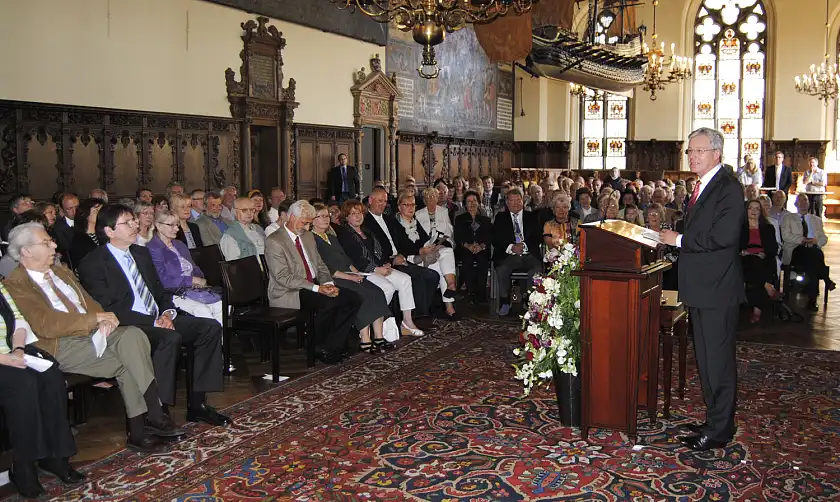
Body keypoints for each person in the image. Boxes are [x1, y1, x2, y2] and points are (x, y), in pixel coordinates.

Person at [5, 223, 181, 455]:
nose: (54, 245)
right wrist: (95, 318)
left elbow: (88, 303)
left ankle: (147, 423)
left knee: (134, 336)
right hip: (59, 344)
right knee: (129, 358)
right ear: (26, 251)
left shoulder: (61, 272)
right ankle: (147, 422)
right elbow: (46, 324)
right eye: (46, 242)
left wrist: (104, 319)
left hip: (93, 334)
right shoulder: (16, 284)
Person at [77, 205, 230, 427]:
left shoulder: (140, 253)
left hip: (158, 316)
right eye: (127, 223)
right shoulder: (93, 263)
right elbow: (108, 308)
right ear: (109, 231)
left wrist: (167, 313)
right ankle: (159, 411)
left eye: (133, 220)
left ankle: (198, 405)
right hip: (129, 324)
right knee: (170, 338)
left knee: (209, 327)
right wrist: (154, 321)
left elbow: (159, 291)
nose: (135, 225)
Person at [659, 127, 744, 452]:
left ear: (716, 153)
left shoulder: (727, 188)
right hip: (703, 286)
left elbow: (723, 237)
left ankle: (720, 429)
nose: (692, 156)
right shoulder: (704, 185)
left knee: (718, 361)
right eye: (690, 151)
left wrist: (677, 240)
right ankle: (717, 420)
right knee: (707, 360)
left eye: (699, 150)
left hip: (717, 288)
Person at [0, 283, 82, 498]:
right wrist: (6, 359)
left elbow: (18, 321)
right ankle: (23, 465)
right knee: (23, 383)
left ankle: (55, 456)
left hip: (10, 352)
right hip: (2, 359)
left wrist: (18, 349)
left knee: (51, 375)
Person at [265, 201, 362, 365]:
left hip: (313, 285)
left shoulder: (307, 236)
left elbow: (319, 264)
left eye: (309, 223)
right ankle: (318, 348)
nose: (307, 227)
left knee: (353, 299)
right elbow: (283, 277)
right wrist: (318, 289)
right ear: (292, 217)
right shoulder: (275, 241)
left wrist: (329, 283)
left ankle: (335, 346)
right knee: (327, 304)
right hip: (289, 291)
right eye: (305, 222)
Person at [311, 203, 391, 353]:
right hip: (334, 278)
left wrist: (356, 273)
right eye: (321, 216)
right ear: (312, 220)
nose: (326, 219)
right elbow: (324, 268)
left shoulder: (331, 237)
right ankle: (365, 339)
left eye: (327, 216)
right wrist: (350, 277)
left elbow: (347, 260)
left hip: (348, 274)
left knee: (377, 292)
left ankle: (379, 337)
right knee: (364, 295)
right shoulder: (312, 240)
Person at [338, 199, 425, 336]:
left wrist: (385, 263)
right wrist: (376, 269)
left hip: (378, 267)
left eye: (359, 212)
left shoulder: (366, 230)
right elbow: (355, 259)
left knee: (405, 279)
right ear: (346, 217)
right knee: (387, 288)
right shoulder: (345, 235)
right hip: (362, 272)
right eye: (353, 213)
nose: (358, 216)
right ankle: (369, 324)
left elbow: (380, 250)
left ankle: (407, 322)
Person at [363, 187, 440, 317]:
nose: (382, 204)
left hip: (400, 257)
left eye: (385, 201)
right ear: (370, 200)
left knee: (433, 275)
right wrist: (392, 259)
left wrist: (403, 255)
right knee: (421, 276)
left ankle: (422, 312)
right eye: (379, 201)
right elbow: (372, 249)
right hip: (387, 262)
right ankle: (419, 315)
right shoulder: (366, 222)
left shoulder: (388, 219)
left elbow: (401, 241)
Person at [147, 210, 223, 324]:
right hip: (173, 293)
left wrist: (200, 279)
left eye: (177, 225)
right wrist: (190, 280)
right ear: (158, 225)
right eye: (171, 225)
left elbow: (194, 267)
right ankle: (213, 338)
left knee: (220, 305)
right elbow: (162, 280)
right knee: (203, 310)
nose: (177, 229)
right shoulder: (153, 249)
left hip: (193, 289)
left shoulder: (179, 244)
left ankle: (221, 341)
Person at [392, 191, 458, 319]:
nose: (411, 208)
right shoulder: (395, 224)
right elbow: (400, 247)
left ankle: (450, 290)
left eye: (413, 205)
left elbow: (425, 240)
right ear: (399, 207)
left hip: (424, 256)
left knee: (446, 252)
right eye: (407, 205)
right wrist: (420, 250)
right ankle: (449, 303)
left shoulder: (415, 222)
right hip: (410, 259)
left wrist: (433, 246)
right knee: (441, 264)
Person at [781, 193, 835, 311]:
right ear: (795, 204)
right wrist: (803, 240)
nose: (803, 203)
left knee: (813, 260)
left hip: (812, 250)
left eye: (805, 200)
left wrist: (816, 241)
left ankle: (812, 299)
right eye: (800, 201)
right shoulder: (788, 218)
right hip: (796, 249)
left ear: (809, 203)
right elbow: (786, 236)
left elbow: (824, 238)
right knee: (815, 255)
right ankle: (826, 280)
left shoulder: (816, 220)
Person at [492, 188, 542, 316]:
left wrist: (524, 245)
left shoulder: (532, 217)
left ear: (523, 201)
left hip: (529, 254)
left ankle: (530, 301)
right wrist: (512, 247)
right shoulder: (500, 218)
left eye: (518, 200)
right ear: (507, 203)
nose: (515, 203)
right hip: (509, 255)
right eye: (512, 200)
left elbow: (537, 237)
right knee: (503, 269)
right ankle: (505, 301)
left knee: (535, 271)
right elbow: (496, 238)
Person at [740, 200, 779, 323]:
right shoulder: (740, 228)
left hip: (764, 258)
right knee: (754, 263)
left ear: (761, 212)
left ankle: (757, 309)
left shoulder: (768, 228)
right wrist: (742, 251)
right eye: (751, 208)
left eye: (757, 209)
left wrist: (765, 253)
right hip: (746, 258)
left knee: (758, 269)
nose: (754, 211)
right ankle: (767, 287)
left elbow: (774, 248)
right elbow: (735, 246)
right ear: (746, 211)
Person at [454, 191, 491, 303]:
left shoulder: (485, 219)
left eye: (474, 201)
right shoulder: (460, 218)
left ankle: (481, 293)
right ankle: (471, 292)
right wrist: (468, 246)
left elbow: (489, 236)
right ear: (465, 204)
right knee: (467, 260)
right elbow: (458, 236)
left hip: (482, 248)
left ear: (479, 203)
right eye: (469, 201)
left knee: (483, 260)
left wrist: (481, 246)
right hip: (465, 248)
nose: (472, 204)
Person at [68, 197, 105, 269]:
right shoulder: (79, 240)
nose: (101, 214)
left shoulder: (104, 235)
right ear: (86, 214)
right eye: (96, 211)